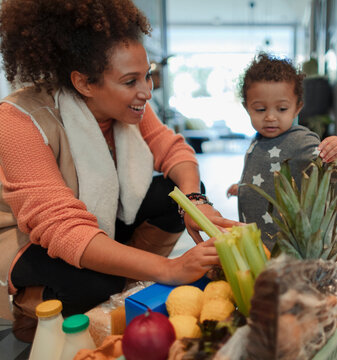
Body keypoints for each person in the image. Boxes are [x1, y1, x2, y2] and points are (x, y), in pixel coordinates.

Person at [0, 0, 239, 342]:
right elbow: (61, 228)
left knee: (175, 195)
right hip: (33, 241)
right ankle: (32, 310)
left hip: (97, 221)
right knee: (97, 282)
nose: (146, 92)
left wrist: (195, 202)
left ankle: (129, 285)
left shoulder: (128, 106)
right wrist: (171, 269)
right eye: (130, 81)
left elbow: (173, 150)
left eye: (147, 75)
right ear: (84, 83)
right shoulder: (18, 119)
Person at [227, 53, 337, 250]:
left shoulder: (301, 140)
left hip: (285, 247)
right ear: (247, 108)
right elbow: (264, 171)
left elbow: (331, 172)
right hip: (256, 241)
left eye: (282, 109)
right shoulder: (259, 139)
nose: (270, 117)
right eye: (260, 109)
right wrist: (244, 186)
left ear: (297, 108)